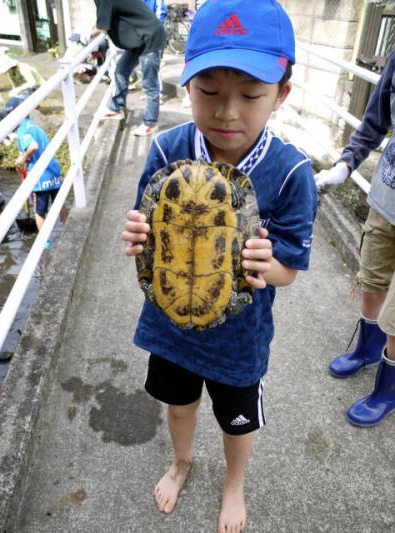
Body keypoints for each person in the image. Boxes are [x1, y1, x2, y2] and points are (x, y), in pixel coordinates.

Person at [121, 1, 317, 531]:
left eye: (251, 95)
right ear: (186, 87)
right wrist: (138, 233)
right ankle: (181, 460)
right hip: (168, 323)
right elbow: (146, 226)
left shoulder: (292, 172)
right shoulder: (166, 147)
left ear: (281, 94)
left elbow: (290, 269)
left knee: (236, 420)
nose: (227, 112)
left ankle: (234, 484)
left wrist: (266, 264)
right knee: (178, 404)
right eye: (208, 91)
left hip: (239, 339)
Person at [315, 51, 395, 427]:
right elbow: (376, 120)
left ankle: (388, 390)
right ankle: (367, 349)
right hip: (386, 201)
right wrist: (345, 166)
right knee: (372, 280)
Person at [0, 98, 68, 242]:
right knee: (60, 204)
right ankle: (69, 234)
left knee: (39, 213)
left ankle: (45, 245)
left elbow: (33, 146)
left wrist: (22, 158)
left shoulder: (22, 131)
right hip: (53, 171)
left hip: (41, 177)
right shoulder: (34, 126)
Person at [91, 0, 166, 125]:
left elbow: (102, 27)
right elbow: (103, 20)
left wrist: (84, 35)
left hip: (150, 38)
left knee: (149, 84)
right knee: (121, 70)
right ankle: (116, 108)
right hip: (140, 38)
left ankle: (150, 123)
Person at [132, 0, 167, 136]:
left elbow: (161, 15)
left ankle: (150, 123)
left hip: (151, 43)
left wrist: (149, 35)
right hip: (139, 42)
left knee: (151, 84)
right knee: (147, 81)